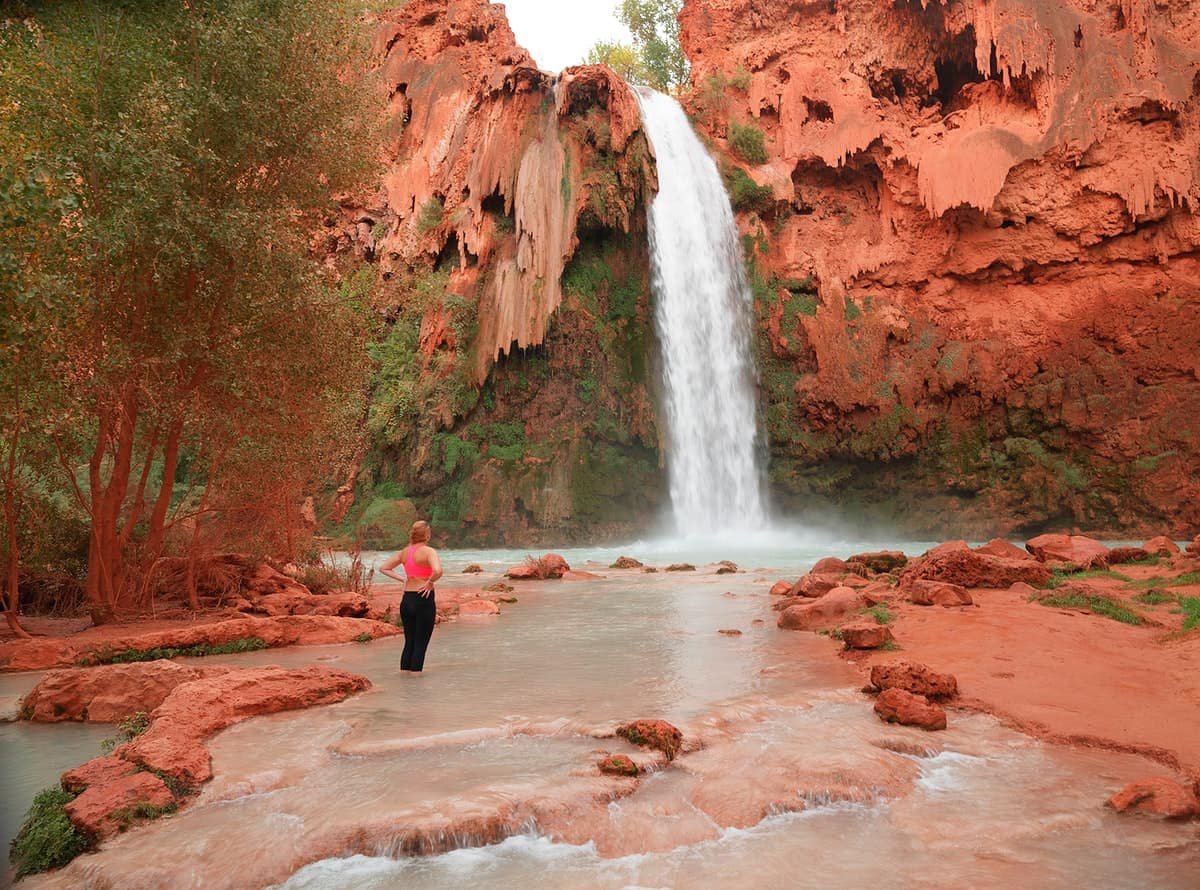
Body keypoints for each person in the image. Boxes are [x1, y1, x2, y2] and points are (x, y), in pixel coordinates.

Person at [379, 520, 443, 672]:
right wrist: (430, 582)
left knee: (409, 643)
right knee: (420, 645)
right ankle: (415, 682)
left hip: (407, 600)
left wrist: (403, 579)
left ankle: (405, 680)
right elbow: (438, 571)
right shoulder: (429, 551)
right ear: (427, 535)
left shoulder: (404, 552)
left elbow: (384, 568)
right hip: (423, 599)